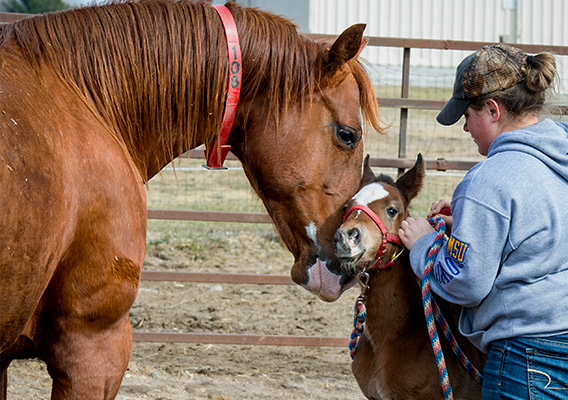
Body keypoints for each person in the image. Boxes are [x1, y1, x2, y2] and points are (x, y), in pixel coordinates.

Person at [398, 44, 568, 399]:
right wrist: (467, 218)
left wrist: (424, 244)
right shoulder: (559, 157)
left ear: (492, 110)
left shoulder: (487, 181)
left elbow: (465, 282)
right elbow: (542, 220)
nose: (464, 127)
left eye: (466, 115)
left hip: (527, 359)